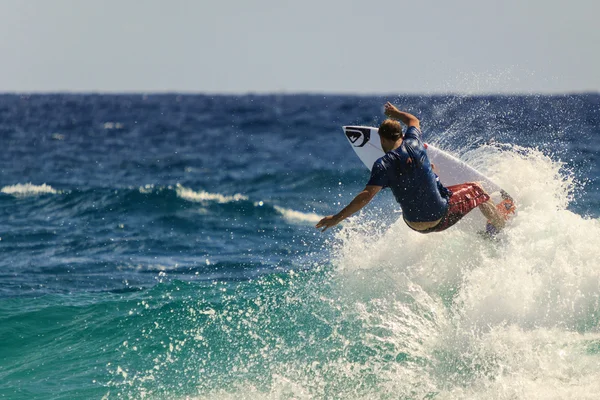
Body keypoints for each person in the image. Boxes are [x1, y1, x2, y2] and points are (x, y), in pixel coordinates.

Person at [315, 102, 507, 233]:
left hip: (413, 223)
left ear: (382, 139)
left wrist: (337, 218)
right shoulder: (414, 142)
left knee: (427, 170)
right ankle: (499, 228)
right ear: (401, 135)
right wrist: (395, 113)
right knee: (477, 188)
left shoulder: (382, 165)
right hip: (440, 217)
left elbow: (365, 196)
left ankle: (432, 175)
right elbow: (413, 121)